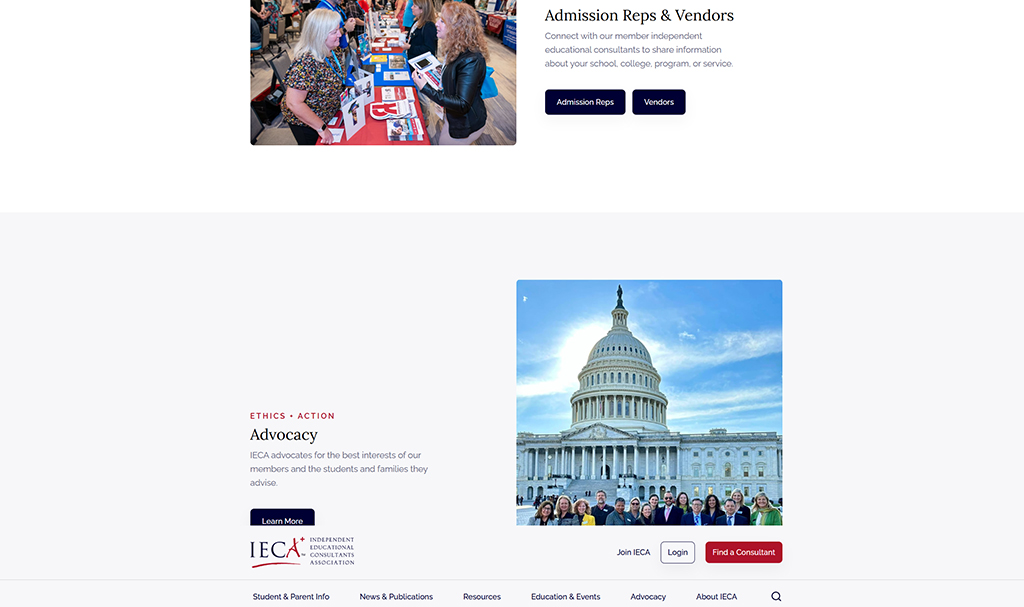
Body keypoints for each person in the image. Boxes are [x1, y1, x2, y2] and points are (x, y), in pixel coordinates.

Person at [411, 1, 488, 144]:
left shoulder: (472, 59)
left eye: (442, 21)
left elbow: (462, 104)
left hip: (465, 123)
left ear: (457, 28)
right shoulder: (456, 48)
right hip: (453, 116)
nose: (436, 24)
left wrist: (425, 87)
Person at [281, 9, 357, 144]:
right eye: (334, 32)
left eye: (338, 30)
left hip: (329, 114)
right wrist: (321, 128)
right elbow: (294, 102)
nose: (340, 34)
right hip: (308, 124)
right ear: (319, 35)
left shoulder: (333, 50)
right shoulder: (306, 62)